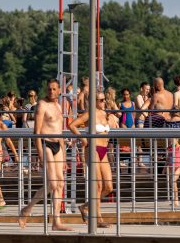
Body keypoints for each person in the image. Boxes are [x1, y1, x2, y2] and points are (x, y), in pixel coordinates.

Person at [18, 79, 72, 231]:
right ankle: (27, 210)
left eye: (54, 89)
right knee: (53, 184)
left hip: (58, 145)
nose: (52, 92)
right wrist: (40, 155)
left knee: (59, 184)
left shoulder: (58, 106)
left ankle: (55, 221)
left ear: (59, 90)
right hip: (46, 144)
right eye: (49, 89)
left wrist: (64, 157)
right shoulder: (42, 105)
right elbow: (36, 132)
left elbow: (60, 132)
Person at [69, 91, 116, 228]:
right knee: (98, 185)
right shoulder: (89, 114)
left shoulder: (105, 114)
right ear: (94, 101)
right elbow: (72, 125)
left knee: (109, 186)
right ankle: (98, 218)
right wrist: (83, 139)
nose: (103, 102)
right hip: (93, 148)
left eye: (103, 100)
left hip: (104, 150)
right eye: (100, 100)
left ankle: (85, 207)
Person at [166, 140, 180, 205]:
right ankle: (175, 199)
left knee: (173, 181)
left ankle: (176, 199)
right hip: (170, 167)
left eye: (173, 140)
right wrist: (164, 168)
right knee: (173, 183)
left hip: (178, 167)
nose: (171, 141)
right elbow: (168, 159)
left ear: (177, 140)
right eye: (171, 140)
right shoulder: (169, 148)